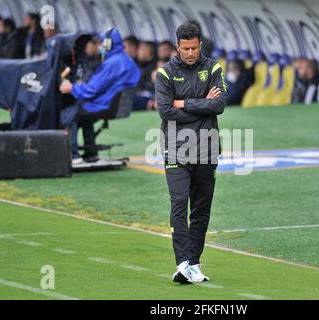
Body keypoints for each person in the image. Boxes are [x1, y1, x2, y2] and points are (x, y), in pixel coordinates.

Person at [155, 22, 227, 284]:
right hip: (176, 149)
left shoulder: (213, 68)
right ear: (177, 46)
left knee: (201, 210)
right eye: (185, 48)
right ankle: (182, 262)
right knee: (178, 204)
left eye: (194, 48)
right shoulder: (165, 74)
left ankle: (194, 263)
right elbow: (165, 111)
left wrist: (184, 103)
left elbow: (219, 105)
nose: (189, 53)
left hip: (207, 149)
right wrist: (202, 105)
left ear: (200, 46)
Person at [60, 28, 140, 164]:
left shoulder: (112, 63)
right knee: (84, 114)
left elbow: (91, 90)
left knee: (70, 111)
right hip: (112, 105)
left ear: (109, 43)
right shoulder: (126, 61)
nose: (100, 46)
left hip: (104, 105)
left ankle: (73, 155)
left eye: (101, 43)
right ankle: (91, 153)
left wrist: (71, 88)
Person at [134, 41, 157, 111]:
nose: (138, 52)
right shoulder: (138, 66)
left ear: (148, 51)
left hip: (151, 97)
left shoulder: (156, 66)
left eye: (140, 49)